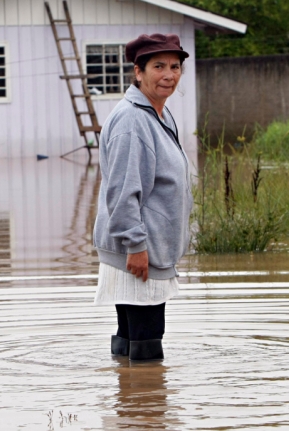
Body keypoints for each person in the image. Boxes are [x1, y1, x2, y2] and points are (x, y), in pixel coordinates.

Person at [93, 33, 193, 361]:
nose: (169, 74)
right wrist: (136, 246)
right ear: (139, 72)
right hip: (139, 252)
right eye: (158, 66)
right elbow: (122, 190)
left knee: (131, 338)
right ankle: (147, 408)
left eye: (175, 66)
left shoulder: (158, 114)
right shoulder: (133, 120)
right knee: (148, 344)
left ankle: (130, 406)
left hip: (146, 248)